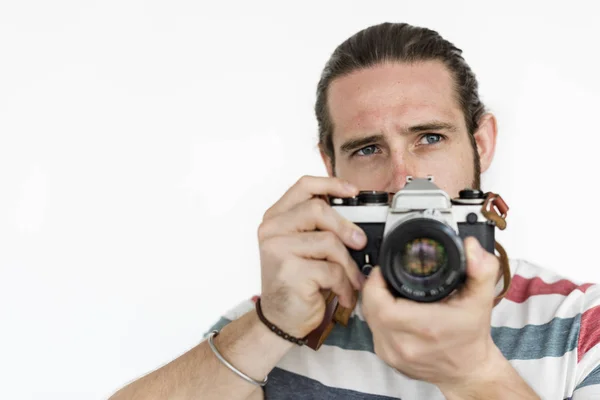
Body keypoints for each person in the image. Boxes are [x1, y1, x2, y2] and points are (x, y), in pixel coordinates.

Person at [109, 22, 600, 399]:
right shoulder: (285, 324)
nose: (404, 180)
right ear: (330, 165)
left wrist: (475, 374)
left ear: (482, 143)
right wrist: (270, 327)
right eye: (368, 149)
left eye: (429, 138)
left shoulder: (580, 326)